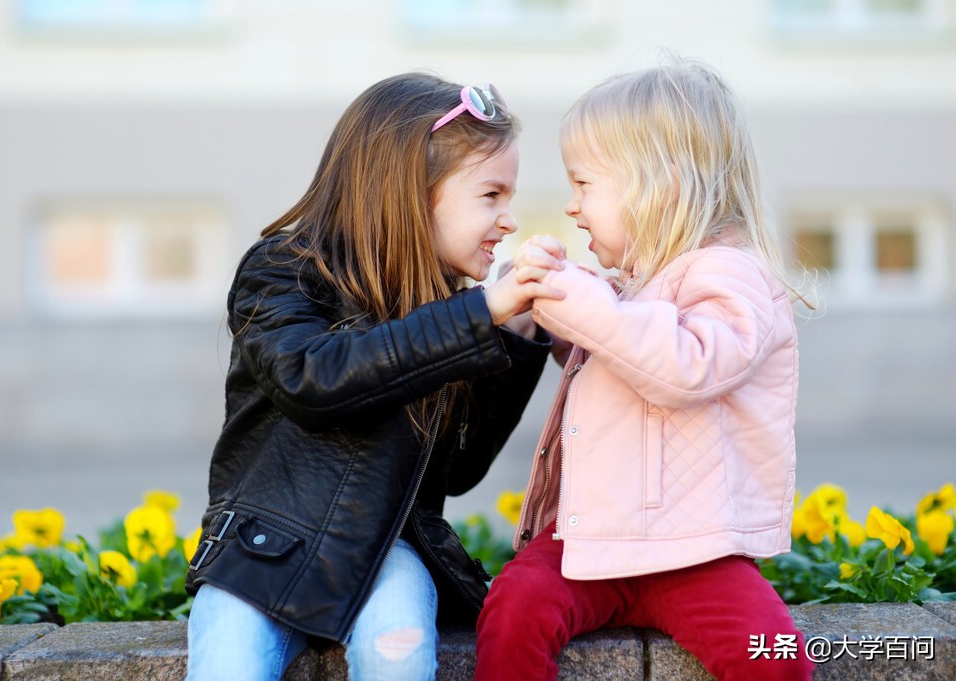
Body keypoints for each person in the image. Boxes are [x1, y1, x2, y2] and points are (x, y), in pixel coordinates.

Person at [184, 73, 565, 681]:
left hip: (392, 546)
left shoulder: (447, 302)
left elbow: (458, 470)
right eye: (490, 195)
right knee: (228, 662)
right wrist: (478, 314)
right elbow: (314, 379)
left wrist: (513, 342)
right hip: (262, 548)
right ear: (412, 190)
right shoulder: (283, 270)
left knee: (401, 648)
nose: (509, 220)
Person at [474, 57, 817, 681]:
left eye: (584, 185)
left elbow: (685, 368)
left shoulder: (732, 273)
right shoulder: (634, 283)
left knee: (775, 656)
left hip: (697, 553)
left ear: (662, 184)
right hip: (592, 542)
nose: (573, 209)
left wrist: (578, 301)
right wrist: (549, 321)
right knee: (514, 607)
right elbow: (619, 364)